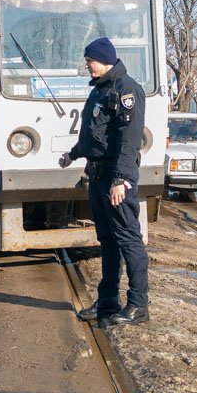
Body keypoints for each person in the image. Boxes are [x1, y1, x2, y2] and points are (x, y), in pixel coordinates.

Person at [59, 37, 150, 325]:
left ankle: (138, 304)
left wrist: (121, 180)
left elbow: (129, 141)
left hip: (115, 177)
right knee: (108, 241)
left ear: (104, 59)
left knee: (128, 240)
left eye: (90, 60)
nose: (87, 65)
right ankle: (108, 301)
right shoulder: (100, 90)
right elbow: (93, 135)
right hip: (97, 175)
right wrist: (73, 154)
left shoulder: (126, 90)